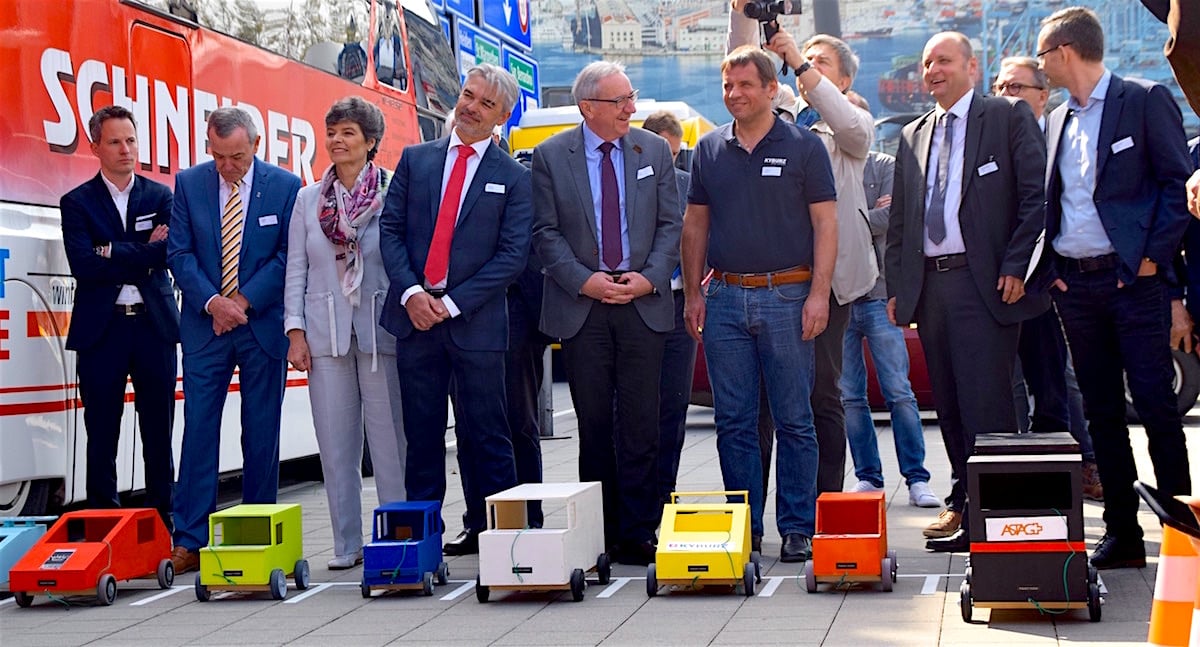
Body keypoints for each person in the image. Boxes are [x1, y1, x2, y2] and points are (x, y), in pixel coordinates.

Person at [1032, 6, 1193, 569]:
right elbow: (1050, 203)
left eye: (1042, 53)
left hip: (1135, 285)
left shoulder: (1143, 100)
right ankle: (1121, 534)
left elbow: (1178, 185)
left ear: (1065, 51)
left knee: (1155, 406)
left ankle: (1183, 537)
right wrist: (1051, 271)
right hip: (1074, 289)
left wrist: (1152, 261)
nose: (1039, 63)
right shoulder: (1055, 120)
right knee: (1101, 414)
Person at [886, 32, 1047, 554]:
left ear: (971, 67)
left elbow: (1034, 197)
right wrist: (899, 289)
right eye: (927, 63)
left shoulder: (1005, 118)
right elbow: (902, 223)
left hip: (987, 287)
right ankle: (965, 500)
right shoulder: (912, 134)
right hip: (931, 286)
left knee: (988, 403)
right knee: (949, 404)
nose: (932, 70)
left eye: (944, 61)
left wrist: (1018, 264)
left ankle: (998, 511)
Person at [683, 46, 838, 563]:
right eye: (728, 86)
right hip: (725, 298)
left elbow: (826, 225)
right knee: (734, 422)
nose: (734, 94)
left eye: (745, 85)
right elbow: (695, 226)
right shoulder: (707, 150)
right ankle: (742, 529)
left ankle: (797, 527)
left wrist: (819, 295)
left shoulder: (804, 147)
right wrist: (692, 292)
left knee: (795, 418)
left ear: (772, 89)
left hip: (789, 296)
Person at [532, 61, 681, 566]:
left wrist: (650, 277)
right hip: (583, 308)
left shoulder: (653, 149)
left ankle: (639, 531)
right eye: (620, 101)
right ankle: (600, 531)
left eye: (632, 98)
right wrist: (584, 280)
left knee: (641, 423)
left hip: (643, 304)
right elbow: (544, 232)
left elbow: (670, 224)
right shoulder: (553, 156)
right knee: (594, 426)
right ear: (588, 107)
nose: (631, 109)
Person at [379, 64, 530, 557]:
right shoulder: (415, 160)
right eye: (468, 96)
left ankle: (502, 542)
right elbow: (391, 232)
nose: (471, 108)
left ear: (503, 116)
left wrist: (450, 303)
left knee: (486, 437)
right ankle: (421, 544)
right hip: (414, 321)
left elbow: (512, 256)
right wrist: (411, 295)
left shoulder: (514, 178)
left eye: (486, 104)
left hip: (477, 326)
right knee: (421, 439)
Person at [728, 11, 877, 495]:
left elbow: (850, 128)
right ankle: (761, 507)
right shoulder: (783, 112)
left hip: (830, 282)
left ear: (845, 77)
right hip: (777, 276)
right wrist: (741, 15)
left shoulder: (851, 121)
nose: (805, 65)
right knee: (765, 402)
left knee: (820, 396)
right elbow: (744, 71)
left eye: (821, 61)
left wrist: (797, 60)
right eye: (802, 56)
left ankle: (825, 503)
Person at [167, 106, 301, 574]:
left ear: (256, 146)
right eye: (219, 155)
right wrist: (213, 304)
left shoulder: (285, 187)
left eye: (237, 157)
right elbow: (179, 253)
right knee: (199, 429)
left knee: (261, 430)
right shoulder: (189, 184)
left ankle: (256, 526)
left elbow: (288, 255)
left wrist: (242, 302)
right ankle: (189, 537)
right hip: (207, 328)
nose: (227, 166)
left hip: (260, 326)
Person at [283, 97, 408, 570]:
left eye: (348, 133)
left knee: (390, 444)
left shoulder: (395, 192)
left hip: (382, 333)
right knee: (335, 445)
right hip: (324, 332)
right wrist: (294, 330)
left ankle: (397, 537)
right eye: (331, 132)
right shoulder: (307, 200)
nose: (336, 140)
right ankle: (345, 545)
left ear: (371, 142)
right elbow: (297, 269)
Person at [60, 105, 178, 532]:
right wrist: (140, 252)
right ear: (95, 147)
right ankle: (103, 526)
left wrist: (110, 249)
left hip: (154, 327)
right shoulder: (76, 203)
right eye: (115, 142)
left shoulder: (161, 197)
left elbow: (167, 254)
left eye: (131, 140)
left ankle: (166, 526)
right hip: (101, 331)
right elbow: (83, 266)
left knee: (158, 431)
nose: (126, 149)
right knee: (102, 433)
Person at [993, 57, 1102, 500]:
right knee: (1012, 383)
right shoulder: (989, 141)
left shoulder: (1059, 138)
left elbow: (1059, 208)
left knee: (1060, 382)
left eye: (1016, 88)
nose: (1006, 96)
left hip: (1053, 283)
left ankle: (1085, 464)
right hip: (1004, 285)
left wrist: (1052, 271)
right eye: (999, 86)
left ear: (1043, 94)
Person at [835, 94, 938, 508]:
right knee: (850, 397)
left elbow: (897, 220)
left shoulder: (886, 166)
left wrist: (848, 219)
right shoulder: (826, 169)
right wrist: (867, 217)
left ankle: (917, 478)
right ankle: (868, 477)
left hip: (879, 295)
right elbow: (824, 224)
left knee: (899, 390)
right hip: (840, 296)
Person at [640, 110, 697, 504]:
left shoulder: (690, 188)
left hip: (679, 307)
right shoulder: (628, 185)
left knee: (673, 406)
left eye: (675, 156)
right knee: (633, 409)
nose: (671, 163)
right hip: (637, 305)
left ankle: (664, 495)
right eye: (665, 154)